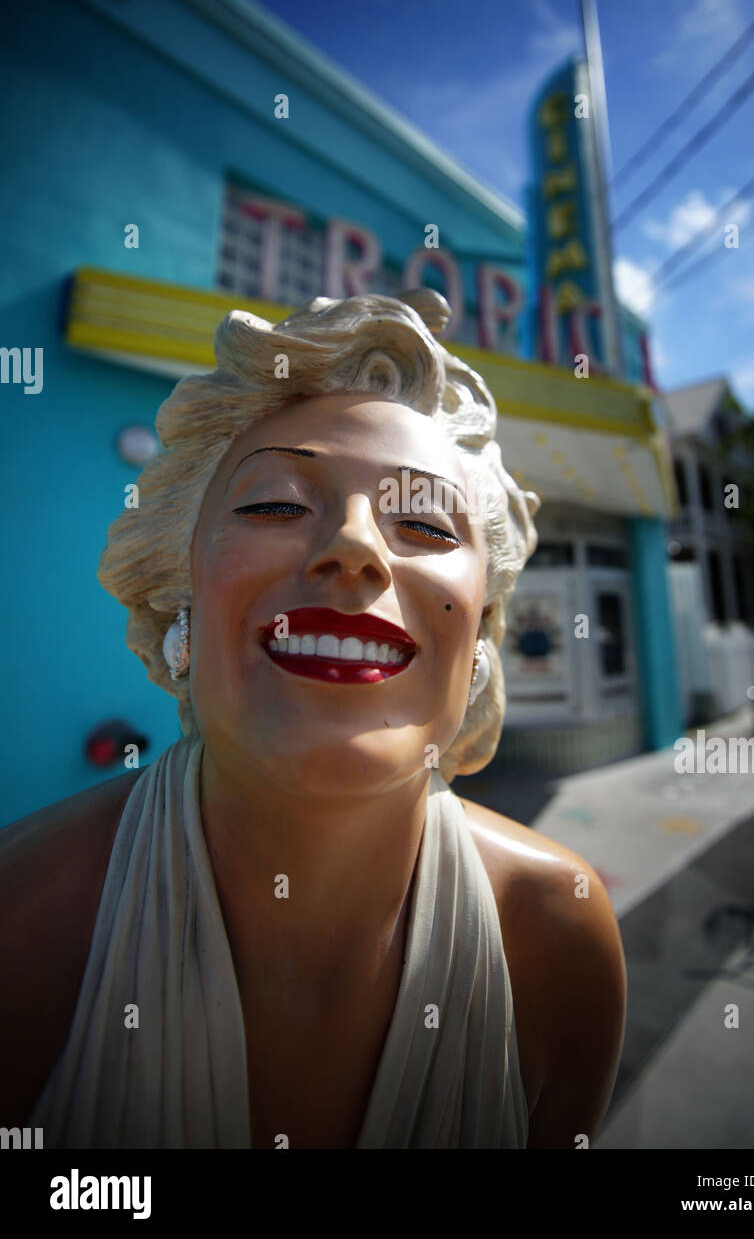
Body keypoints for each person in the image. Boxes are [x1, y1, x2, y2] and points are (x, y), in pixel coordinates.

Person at [0, 288, 626, 1149]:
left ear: (480, 632)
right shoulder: (21, 918)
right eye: (276, 505)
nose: (357, 548)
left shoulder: (561, 934)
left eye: (423, 523)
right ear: (179, 594)